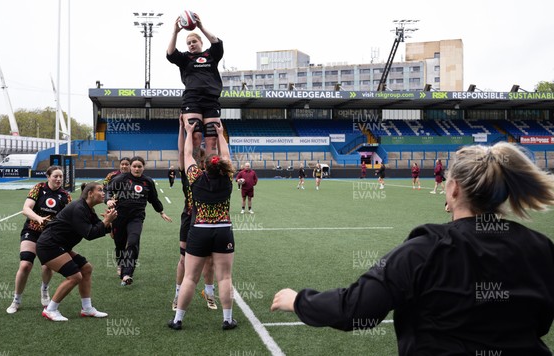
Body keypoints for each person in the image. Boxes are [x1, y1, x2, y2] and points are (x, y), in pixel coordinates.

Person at [271, 142, 554, 354]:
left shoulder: (425, 250)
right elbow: (541, 322)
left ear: (454, 189)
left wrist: (298, 301)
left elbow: (356, 309)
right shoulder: (541, 247)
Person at [168, 120, 237, 331]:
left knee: (190, 277)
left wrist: (189, 132)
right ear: (222, 167)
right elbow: (226, 156)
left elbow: (187, 154)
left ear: (204, 166)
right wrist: (220, 134)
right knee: (224, 277)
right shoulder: (228, 177)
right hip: (223, 230)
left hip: (199, 230)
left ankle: (178, 320)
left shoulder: (195, 177)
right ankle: (227, 320)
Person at [36, 182, 118, 321]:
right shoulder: (78, 208)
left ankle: (87, 309)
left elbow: (101, 229)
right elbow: (90, 234)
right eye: (100, 190)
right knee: (75, 277)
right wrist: (106, 221)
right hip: (49, 246)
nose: (104, 193)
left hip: (60, 246)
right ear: (90, 193)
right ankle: (50, 310)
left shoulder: (88, 209)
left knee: (86, 268)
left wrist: (108, 222)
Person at [6, 165, 71, 314]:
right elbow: (26, 209)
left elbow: (68, 216)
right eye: (55, 176)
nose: (59, 179)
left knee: (47, 266)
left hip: (50, 235)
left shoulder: (65, 195)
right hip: (32, 230)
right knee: (25, 265)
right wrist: (38, 218)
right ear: (48, 177)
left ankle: (44, 289)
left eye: (61, 176)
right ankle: (16, 300)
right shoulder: (38, 188)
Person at [106, 156, 172, 286]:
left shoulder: (147, 182)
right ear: (130, 167)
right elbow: (108, 190)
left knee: (133, 242)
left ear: (143, 167)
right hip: (119, 217)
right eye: (134, 166)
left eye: (139, 166)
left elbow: (154, 199)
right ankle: (120, 263)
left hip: (136, 218)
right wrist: (108, 200)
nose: (136, 169)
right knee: (120, 244)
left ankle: (127, 274)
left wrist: (161, 212)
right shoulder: (121, 179)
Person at [174, 115, 217, 311]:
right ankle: (177, 294)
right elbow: (183, 150)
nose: (195, 139)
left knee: (209, 259)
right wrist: (183, 129)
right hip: (189, 215)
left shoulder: (210, 168)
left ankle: (209, 292)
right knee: (184, 258)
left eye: (198, 137)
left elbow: (212, 148)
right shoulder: (186, 167)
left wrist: (215, 132)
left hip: (207, 217)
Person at [167, 12, 223, 157]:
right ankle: (196, 175)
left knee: (212, 139)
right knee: (195, 138)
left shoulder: (210, 55)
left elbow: (217, 42)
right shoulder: (185, 58)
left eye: (194, 42)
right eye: (189, 43)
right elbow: (170, 53)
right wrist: (175, 32)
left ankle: (212, 172)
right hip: (192, 100)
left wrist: (201, 26)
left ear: (201, 42)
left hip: (211, 100)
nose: (191, 45)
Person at [103, 157, 130, 277]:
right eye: (122, 164)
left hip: (132, 214)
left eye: (127, 164)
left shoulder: (135, 176)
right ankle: (120, 264)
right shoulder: (112, 176)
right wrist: (109, 199)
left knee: (130, 241)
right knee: (118, 241)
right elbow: (104, 190)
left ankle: (126, 266)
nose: (124, 166)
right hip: (115, 212)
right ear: (119, 165)